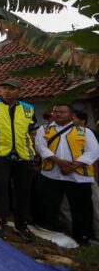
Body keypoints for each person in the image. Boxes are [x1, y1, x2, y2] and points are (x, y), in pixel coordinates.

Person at [35, 103, 99, 245]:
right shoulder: (43, 130)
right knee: (49, 205)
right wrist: (60, 162)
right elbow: (41, 147)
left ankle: (82, 236)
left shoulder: (84, 131)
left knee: (81, 208)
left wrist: (75, 165)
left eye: (62, 112)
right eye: (56, 111)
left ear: (71, 115)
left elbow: (93, 151)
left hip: (78, 176)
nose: (58, 114)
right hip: (51, 174)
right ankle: (53, 232)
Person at [0, 78, 37, 241]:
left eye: (12, 89)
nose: (7, 91)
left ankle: (22, 225)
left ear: (19, 92)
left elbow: (31, 132)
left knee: (23, 191)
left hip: (24, 155)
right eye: (4, 88)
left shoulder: (29, 109)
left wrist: (35, 155)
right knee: (0, 189)